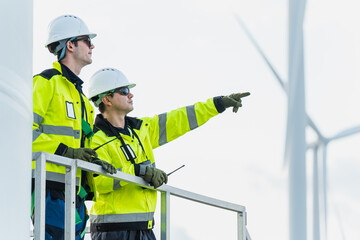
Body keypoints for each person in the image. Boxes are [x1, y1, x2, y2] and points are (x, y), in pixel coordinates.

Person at [87, 67, 250, 240]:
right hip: (113, 232)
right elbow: (99, 183)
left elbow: (181, 118)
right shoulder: (96, 139)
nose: (131, 95)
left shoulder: (142, 129)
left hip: (145, 229)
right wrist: (138, 171)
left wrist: (218, 104)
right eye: (124, 91)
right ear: (107, 99)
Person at [32, 15, 115, 240]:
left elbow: (82, 142)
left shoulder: (82, 101)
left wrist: (94, 160)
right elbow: (24, 134)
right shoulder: (46, 83)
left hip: (74, 190)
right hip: (48, 189)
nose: (92, 45)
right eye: (87, 40)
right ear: (70, 45)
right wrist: (64, 152)